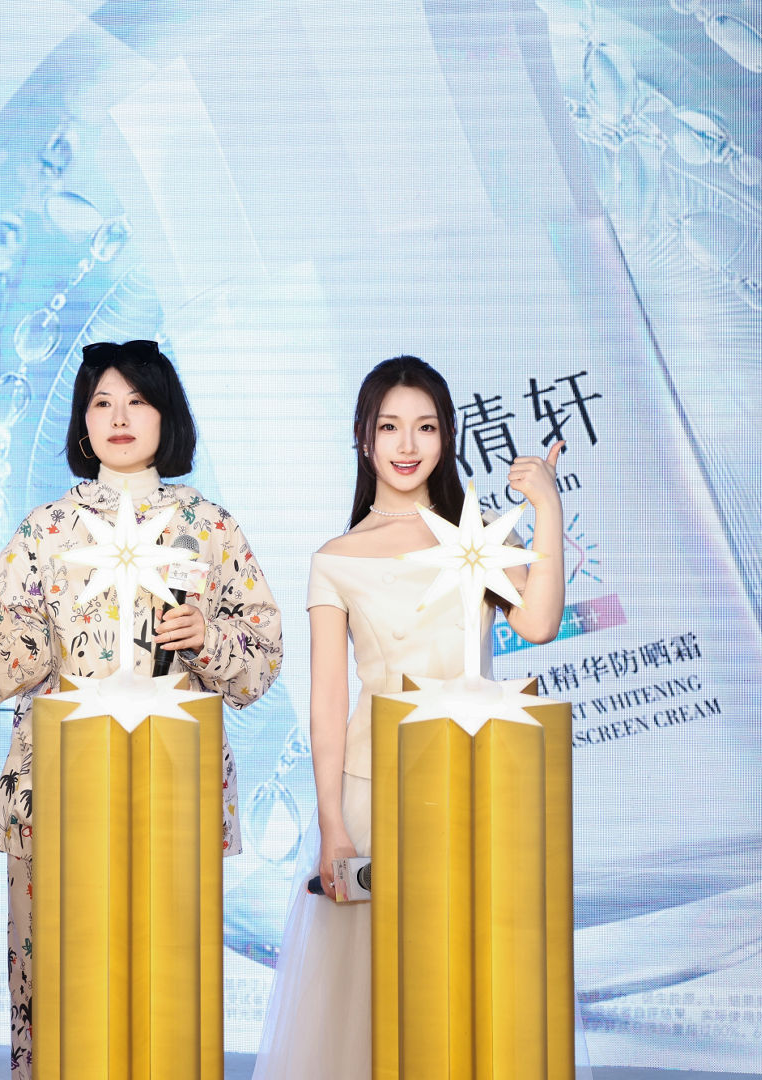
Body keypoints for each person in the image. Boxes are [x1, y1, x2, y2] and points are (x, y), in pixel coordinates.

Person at [0, 340, 283, 1076]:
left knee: (167, 984)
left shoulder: (210, 526)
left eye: (137, 401)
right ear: (82, 422)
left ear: (167, 416)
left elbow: (260, 662)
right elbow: (13, 672)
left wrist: (206, 639)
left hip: (171, 786)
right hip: (61, 787)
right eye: (102, 403)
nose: (119, 417)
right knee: (62, 982)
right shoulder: (45, 529)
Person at [252, 355, 565, 1078]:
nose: (406, 444)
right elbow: (328, 703)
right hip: (376, 796)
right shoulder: (335, 558)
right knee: (378, 1000)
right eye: (389, 426)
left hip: (476, 784)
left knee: (471, 985)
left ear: (446, 437)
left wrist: (545, 508)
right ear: (363, 438)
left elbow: (540, 622)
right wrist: (331, 822)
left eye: (425, 427)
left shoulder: (474, 536)